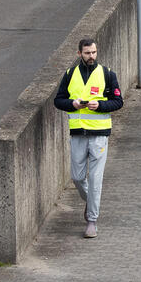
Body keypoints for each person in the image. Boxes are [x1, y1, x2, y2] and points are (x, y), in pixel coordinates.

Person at [52, 39, 123, 239]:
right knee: (77, 176)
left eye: (93, 52)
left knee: (95, 179)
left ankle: (92, 221)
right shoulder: (70, 74)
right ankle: (90, 201)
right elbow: (58, 100)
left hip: (100, 134)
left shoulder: (108, 74)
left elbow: (118, 102)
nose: (91, 56)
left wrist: (99, 106)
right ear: (79, 53)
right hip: (78, 133)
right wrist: (72, 104)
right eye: (87, 53)